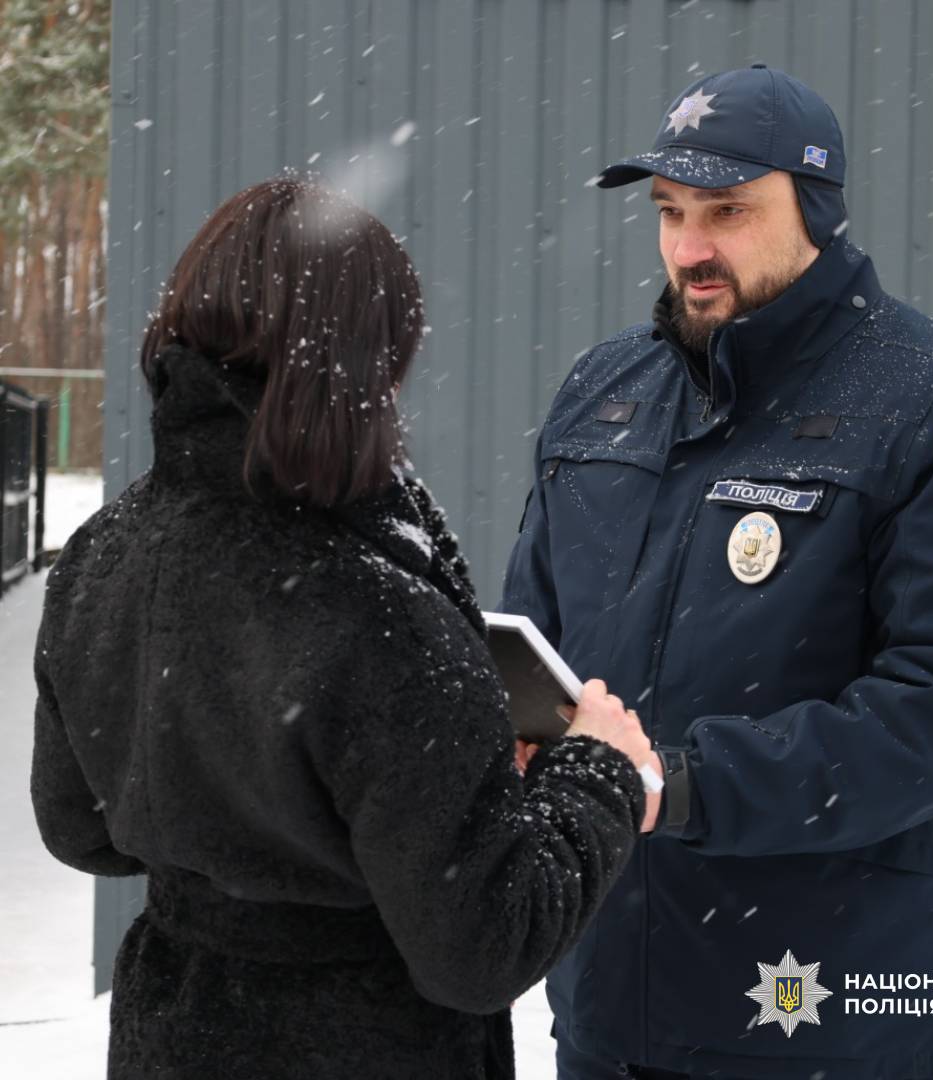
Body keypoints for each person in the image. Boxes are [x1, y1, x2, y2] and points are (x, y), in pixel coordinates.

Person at [29, 176, 660, 1080]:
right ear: (365, 364)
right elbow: (481, 948)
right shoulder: (381, 619)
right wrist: (597, 775)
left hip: (173, 1033)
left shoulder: (103, 551)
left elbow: (78, 828)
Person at [502, 65, 933, 1080]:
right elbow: (540, 646)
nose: (689, 246)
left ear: (818, 212)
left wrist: (684, 784)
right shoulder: (604, 393)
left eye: (728, 210)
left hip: (836, 1019)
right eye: (671, 211)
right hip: (609, 1008)